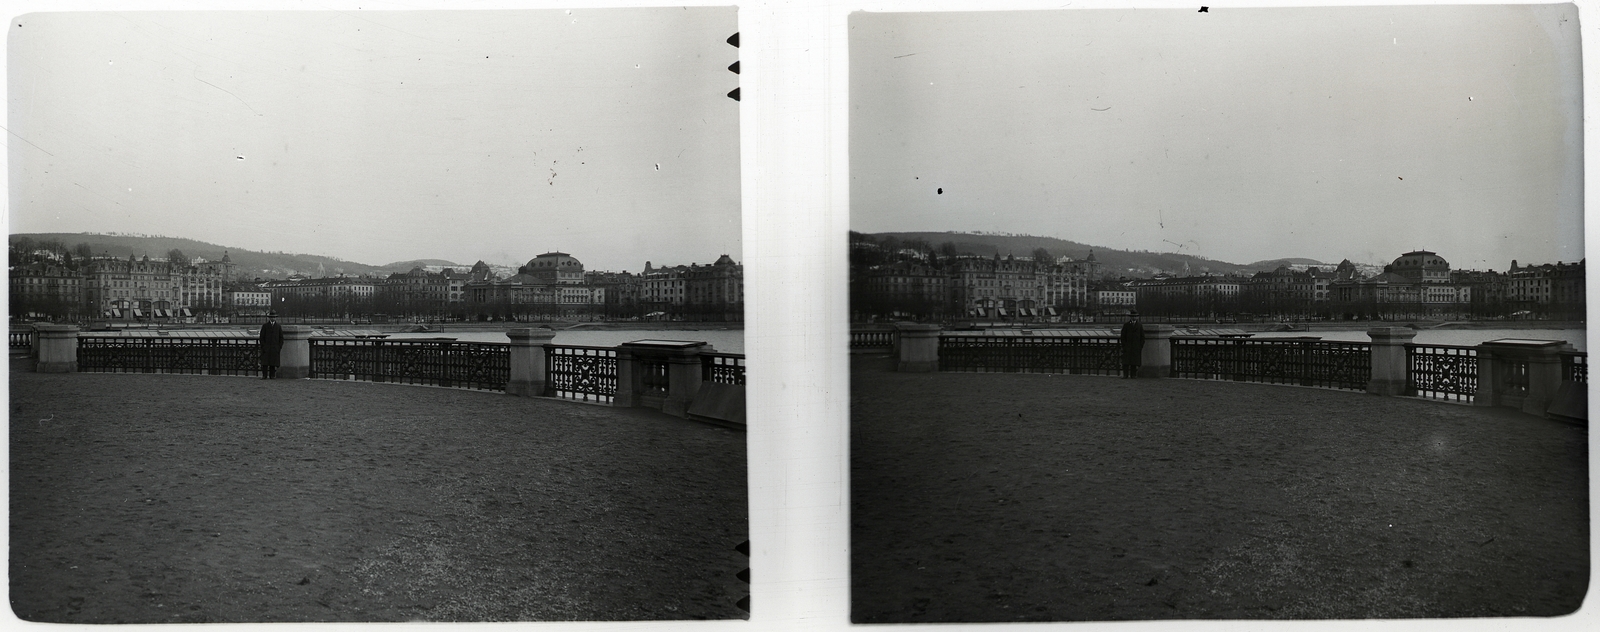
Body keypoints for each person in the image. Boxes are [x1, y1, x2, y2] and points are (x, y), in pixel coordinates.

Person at [1119, 310, 1144, 379]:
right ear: (1131, 317)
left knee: (1134, 362)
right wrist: (1124, 345)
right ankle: (1125, 375)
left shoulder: (1139, 325)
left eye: (1135, 316)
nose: (1134, 318)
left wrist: (1140, 346)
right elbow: (1123, 336)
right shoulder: (1126, 325)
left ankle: (1133, 375)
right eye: (1133, 316)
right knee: (1126, 362)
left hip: (1136, 346)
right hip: (1127, 346)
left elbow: (1142, 337)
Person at [259, 311, 284, 379]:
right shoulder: (265, 326)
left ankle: (272, 375)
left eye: (274, 317)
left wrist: (279, 347)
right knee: (265, 363)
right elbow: (262, 337)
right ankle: (264, 375)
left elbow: (281, 338)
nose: (273, 318)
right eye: (272, 317)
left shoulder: (278, 326)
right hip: (266, 347)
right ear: (269, 318)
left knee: (273, 363)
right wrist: (263, 346)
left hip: (274, 347)